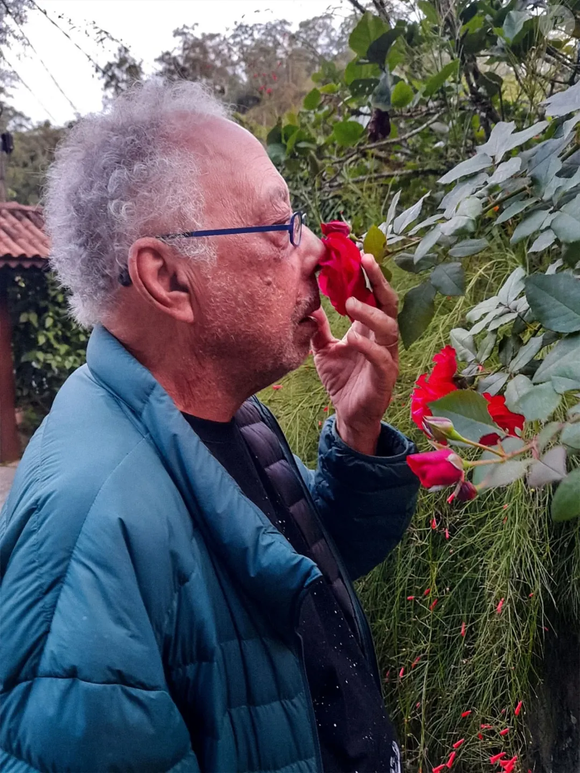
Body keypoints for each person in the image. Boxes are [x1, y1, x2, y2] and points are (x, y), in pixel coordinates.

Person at [0, 80, 419, 773]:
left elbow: (306, 578)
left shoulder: (231, 419)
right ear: (167, 278)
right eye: (279, 227)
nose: (316, 249)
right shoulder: (90, 531)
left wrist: (358, 434)